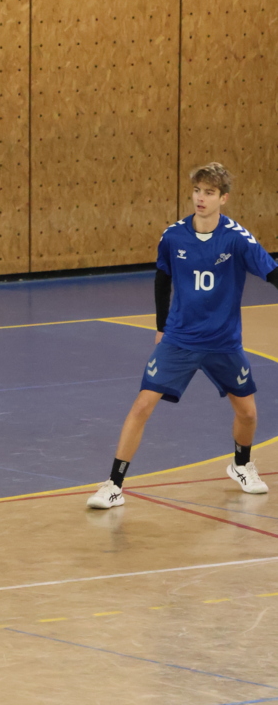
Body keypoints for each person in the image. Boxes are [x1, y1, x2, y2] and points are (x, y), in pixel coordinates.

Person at [87, 163, 278, 510]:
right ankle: (113, 486)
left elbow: (272, 273)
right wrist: (161, 327)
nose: (200, 198)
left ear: (223, 198)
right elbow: (163, 278)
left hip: (223, 342)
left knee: (248, 413)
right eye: (197, 191)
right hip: (180, 338)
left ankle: (241, 465)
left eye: (209, 193)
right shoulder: (173, 236)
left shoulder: (237, 238)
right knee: (142, 404)